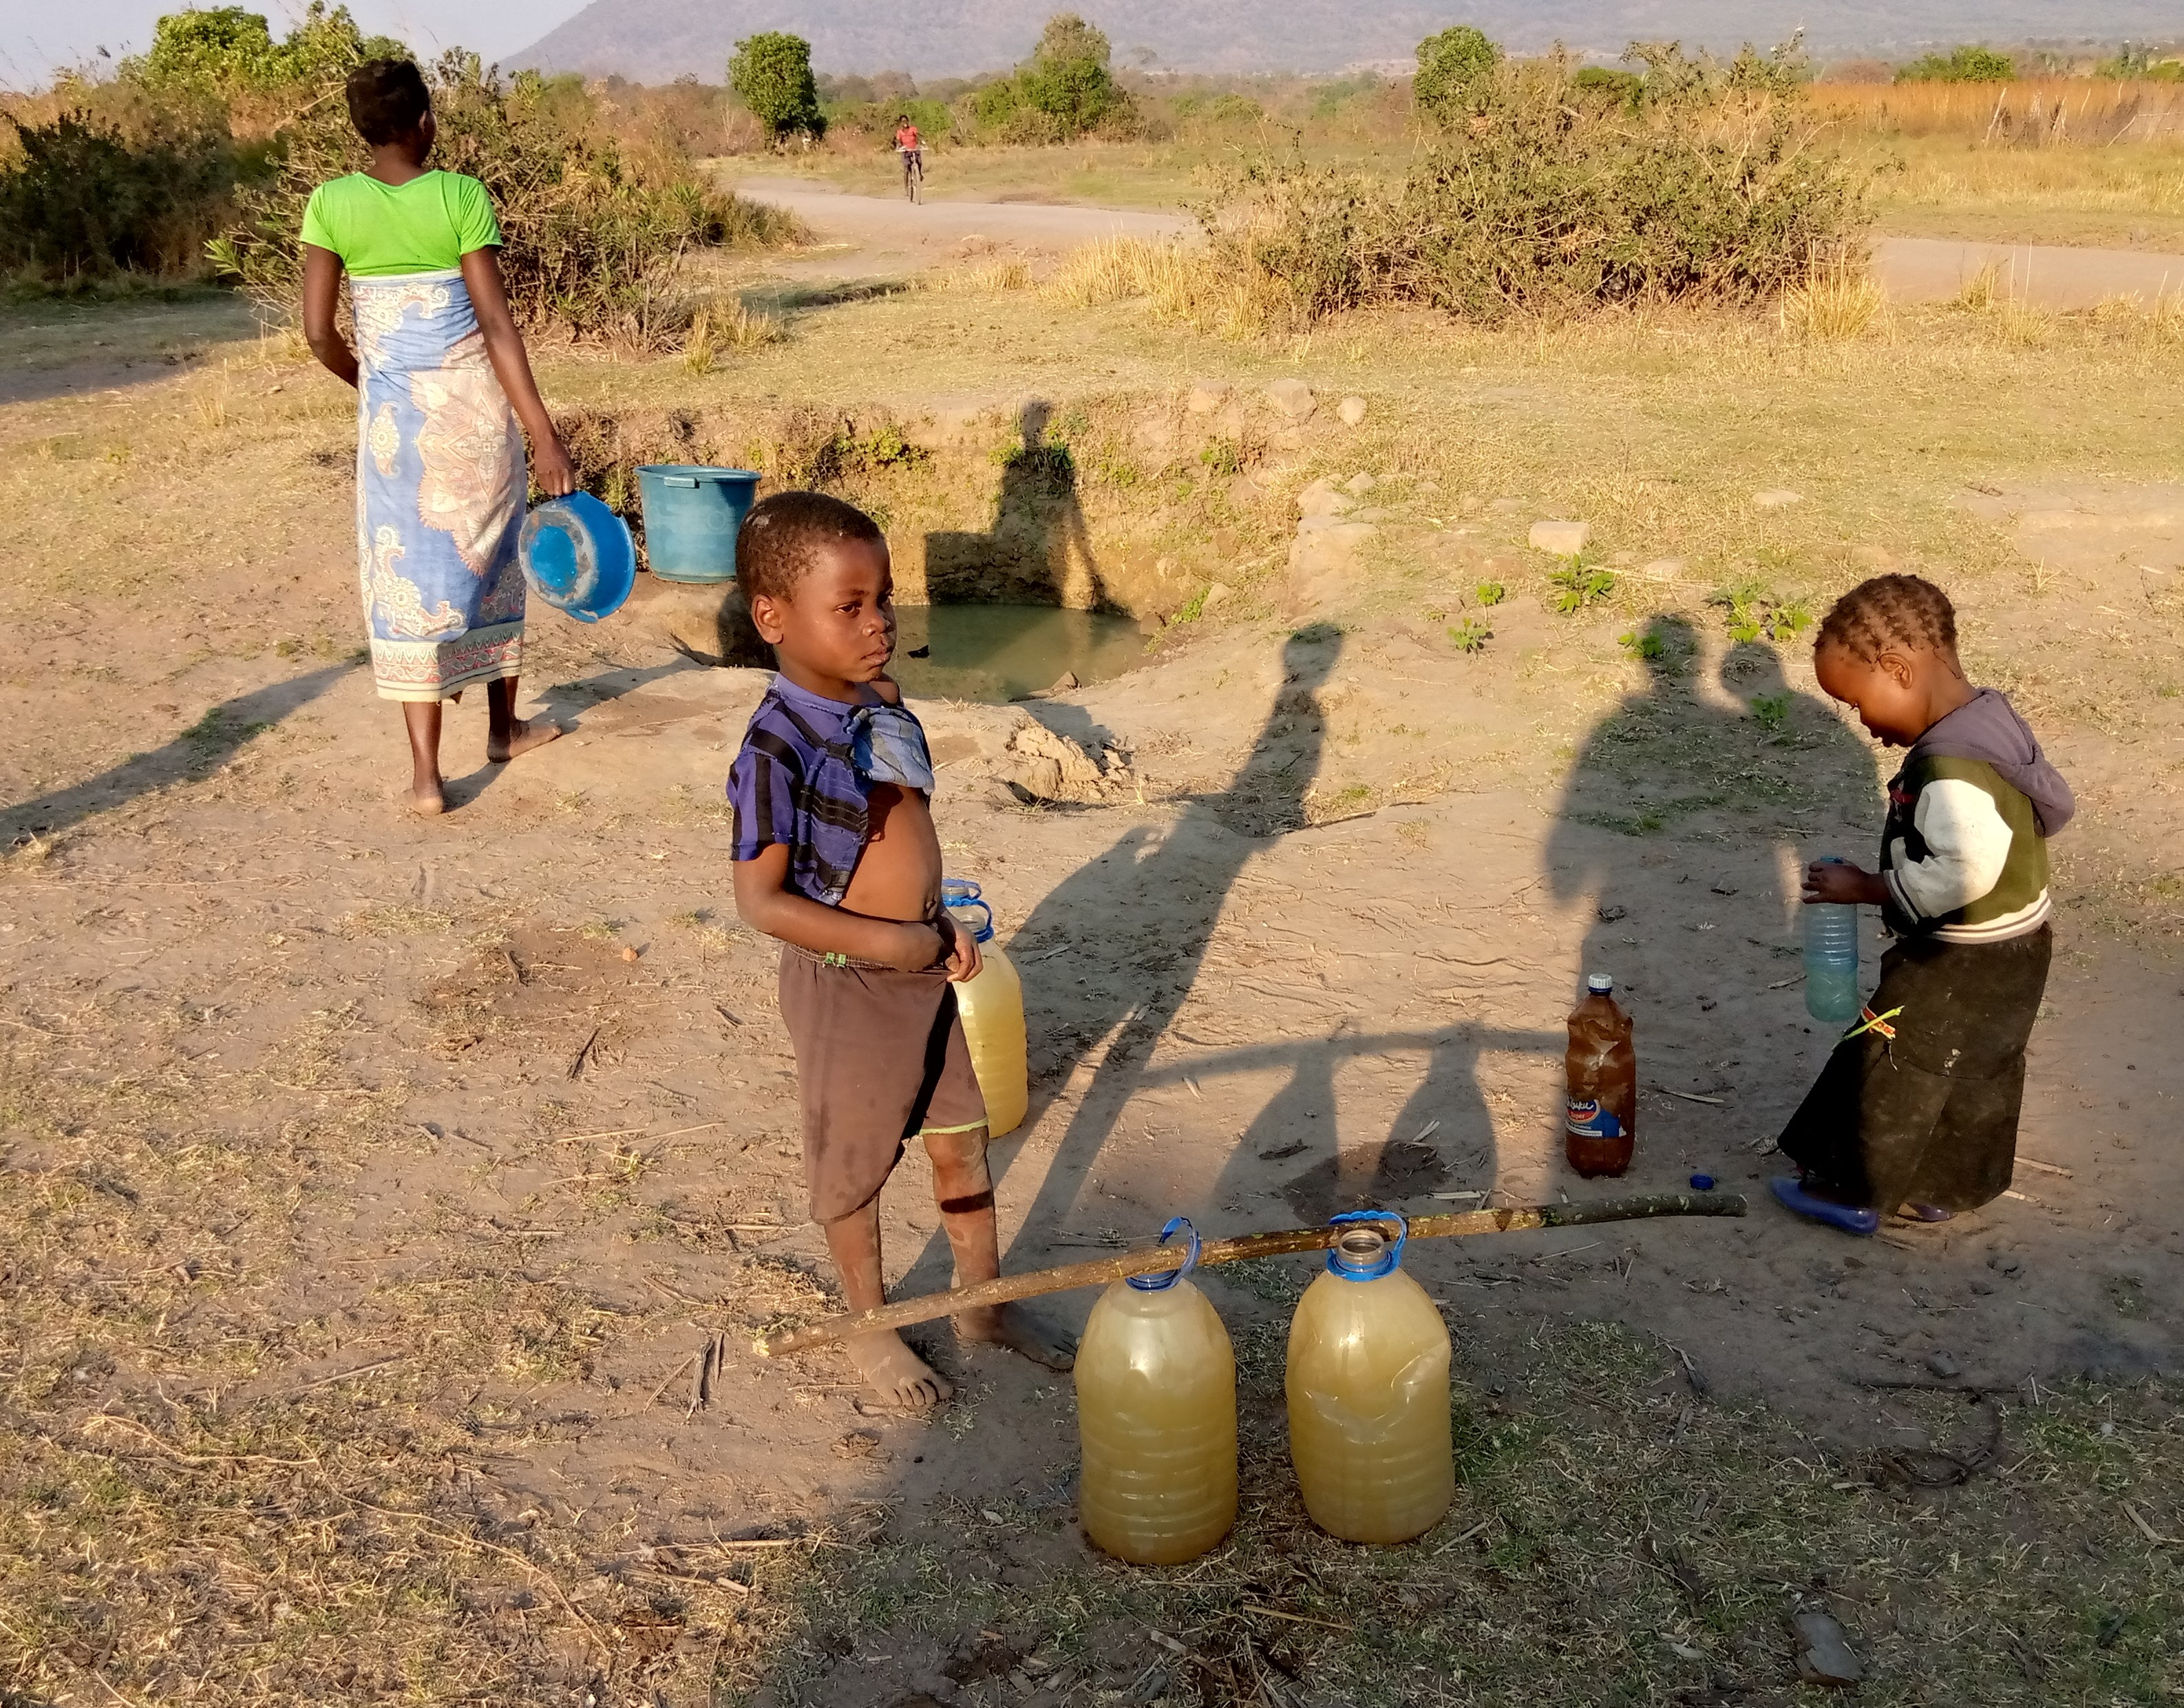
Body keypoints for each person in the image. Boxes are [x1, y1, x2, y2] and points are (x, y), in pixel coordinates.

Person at [726, 491, 1074, 1407]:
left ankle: (982, 1305)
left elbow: (900, 832)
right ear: (773, 618)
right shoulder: (775, 748)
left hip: (923, 967)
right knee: (855, 1168)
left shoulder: (879, 705)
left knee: (963, 1143)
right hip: (852, 990)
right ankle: (867, 1327)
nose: (878, 622)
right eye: (850, 607)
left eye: (883, 598)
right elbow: (762, 901)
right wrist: (893, 940)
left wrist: (938, 926)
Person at [300, 57, 574, 815]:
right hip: (474, 418)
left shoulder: (329, 204)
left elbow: (318, 335)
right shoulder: (460, 196)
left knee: (410, 586)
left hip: (394, 428)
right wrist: (542, 432)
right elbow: (494, 325)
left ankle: (426, 777)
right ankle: (504, 729)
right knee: (491, 564)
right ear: (424, 120)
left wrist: (374, 388)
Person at [1771, 574, 2075, 1236]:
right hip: (2020, 944)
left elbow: (1963, 870)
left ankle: (1854, 1189)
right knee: (1978, 1066)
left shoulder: (1949, 764)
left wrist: (1868, 886)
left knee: (1892, 1060)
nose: (1866, 725)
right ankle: (1942, 1185)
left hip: (1957, 957)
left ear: (1899, 669)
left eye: (1857, 702)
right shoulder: (1991, 718)